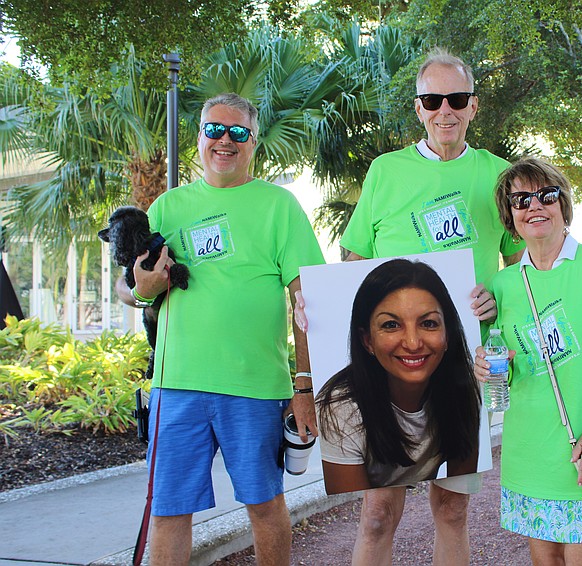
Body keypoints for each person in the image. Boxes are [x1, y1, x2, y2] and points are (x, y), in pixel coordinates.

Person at [296, 48, 524, 565]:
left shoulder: (499, 176)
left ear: (474, 106)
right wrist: (322, 312)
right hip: (387, 371)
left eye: (457, 98)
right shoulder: (386, 171)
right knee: (378, 514)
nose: (446, 110)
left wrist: (496, 299)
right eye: (432, 99)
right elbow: (352, 261)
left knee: (452, 511)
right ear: (418, 108)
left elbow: (520, 266)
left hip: (463, 368)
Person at [116, 93, 324, 565]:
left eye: (237, 132)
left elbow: (308, 299)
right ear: (199, 139)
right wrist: (143, 287)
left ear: (253, 142)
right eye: (214, 130)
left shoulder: (279, 206)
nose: (224, 140)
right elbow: (128, 288)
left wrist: (305, 384)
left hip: (253, 386)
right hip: (177, 387)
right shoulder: (167, 207)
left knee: (266, 507)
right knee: (169, 514)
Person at [473, 158, 582, 564]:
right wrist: (489, 366)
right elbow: (512, 370)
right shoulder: (503, 285)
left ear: (563, 205)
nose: (534, 206)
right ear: (510, 217)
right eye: (521, 200)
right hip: (529, 455)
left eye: (546, 195)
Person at [316, 259, 480, 494]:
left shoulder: (465, 387)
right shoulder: (339, 408)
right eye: (391, 325)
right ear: (367, 341)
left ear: (448, 335)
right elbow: (353, 507)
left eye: (428, 323)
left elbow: (457, 494)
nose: (413, 343)